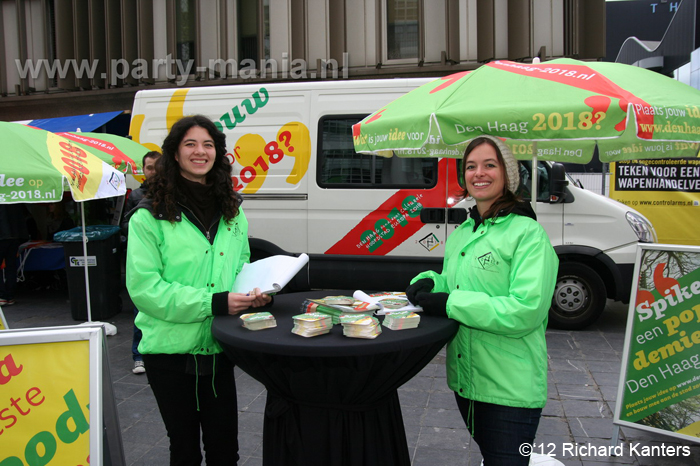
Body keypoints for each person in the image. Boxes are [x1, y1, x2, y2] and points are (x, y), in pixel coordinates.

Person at [125, 115, 271, 465]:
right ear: (174, 154)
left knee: (225, 450)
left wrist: (257, 292)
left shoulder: (232, 211)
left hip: (219, 347)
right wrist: (214, 302)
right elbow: (146, 290)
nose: (199, 151)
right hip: (169, 355)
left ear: (218, 154)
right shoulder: (148, 216)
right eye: (190, 144)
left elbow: (240, 266)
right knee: (185, 448)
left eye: (208, 144)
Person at [405, 136, 558, 466]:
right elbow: (456, 283)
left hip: (509, 388)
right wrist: (429, 282)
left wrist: (449, 303)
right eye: (471, 166)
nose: (479, 173)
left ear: (508, 175)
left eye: (490, 165)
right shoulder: (464, 231)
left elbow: (525, 311)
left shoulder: (528, 234)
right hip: (466, 382)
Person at [122, 150, 161, 375]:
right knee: (141, 309)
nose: (153, 171)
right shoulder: (136, 195)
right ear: (143, 170)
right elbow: (124, 225)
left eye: (157, 167)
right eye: (149, 167)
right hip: (143, 258)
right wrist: (143, 222)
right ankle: (138, 356)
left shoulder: (174, 193)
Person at [0, 204, 30, 306]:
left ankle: (2, 296)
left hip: (2, 237)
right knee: (11, 267)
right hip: (14, 237)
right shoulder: (14, 199)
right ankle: (10, 296)